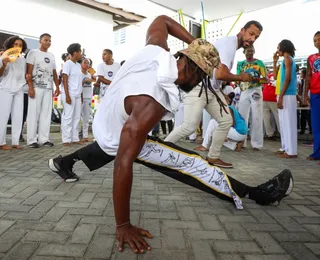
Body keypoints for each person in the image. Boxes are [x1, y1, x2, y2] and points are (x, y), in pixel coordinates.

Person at [48, 15, 293, 254]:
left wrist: (195, 43)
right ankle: (257, 194)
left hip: (108, 115)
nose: (198, 83)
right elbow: (123, 163)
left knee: (109, 144)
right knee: (189, 163)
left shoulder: (156, 49)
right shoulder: (151, 103)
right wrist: (123, 224)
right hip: (115, 129)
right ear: (190, 65)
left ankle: (63, 162)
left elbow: (162, 20)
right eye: (200, 76)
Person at [165, 20, 262, 168]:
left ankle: (213, 157)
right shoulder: (228, 44)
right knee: (189, 126)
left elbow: (215, 74)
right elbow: (221, 74)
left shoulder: (231, 46)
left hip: (211, 90)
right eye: (251, 34)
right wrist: (240, 77)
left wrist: (220, 92)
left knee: (225, 121)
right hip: (199, 88)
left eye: (256, 37)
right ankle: (161, 150)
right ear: (242, 30)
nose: (253, 39)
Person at [26, 33, 60, 148]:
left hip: (48, 88)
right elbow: (28, 72)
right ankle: (31, 140)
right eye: (46, 40)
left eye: (50, 40)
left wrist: (57, 87)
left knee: (46, 114)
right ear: (40, 41)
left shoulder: (51, 55)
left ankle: (44, 139)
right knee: (33, 113)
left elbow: (54, 73)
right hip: (36, 87)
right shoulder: (33, 53)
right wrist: (30, 87)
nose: (48, 42)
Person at [237, 45, 267, 150]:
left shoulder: (259, 63)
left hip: (256, 90)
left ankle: (257, 143)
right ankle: (241, 141)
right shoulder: (240, 64)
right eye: (248, 51)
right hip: (244, 91)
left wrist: (255, 79)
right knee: (242, 116)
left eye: (252, 51)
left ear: (254, 51)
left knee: (257, 117)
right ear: (244, 52)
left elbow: (265, 80)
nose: (250, 53)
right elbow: (238, 78)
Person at [0, 36, 28, 150]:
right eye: (15, 44)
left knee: (18, 115)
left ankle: (15, 141)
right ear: (10, 45)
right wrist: (4, 64)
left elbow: (24, 74)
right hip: (6, 89)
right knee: (3, 116)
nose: (18, 47)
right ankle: (1, 143)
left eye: (20, 45)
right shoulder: (3, 56)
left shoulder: (22, 59)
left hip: (19, 89)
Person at [274, 40, 298, 159]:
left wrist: (281, 97)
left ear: (284, 48)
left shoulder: (287, 59)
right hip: (283, 93)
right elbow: (275, 76)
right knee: (284, 123)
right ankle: (285, 148)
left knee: (289, 123)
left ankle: (291, 151)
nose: (277, 50)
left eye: (278, 48)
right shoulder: (284, 60)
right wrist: (274, 62)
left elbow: (288, 79)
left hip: (287, 94)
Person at [60, 43, 84, 146]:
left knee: (77, 117)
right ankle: (66, 139)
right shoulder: (67, 64)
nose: (81, 53)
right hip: (69, 93)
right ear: (75, 53)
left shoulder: (78, 65)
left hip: (78, 94)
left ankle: (75, 138)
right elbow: (65, 79)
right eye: (80, 51)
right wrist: (67, 95)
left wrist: (81, 95)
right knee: (68, 117)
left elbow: (79, 81)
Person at [304, 31, 320, 161]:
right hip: (315, 94)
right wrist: (305, 94)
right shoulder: (311, 58)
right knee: (316, 125)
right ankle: (317, 153)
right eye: (315, 40)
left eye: (319, 39)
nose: (317, 42)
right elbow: (308, 77)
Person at [80, 58, 95, 142]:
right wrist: (84, 81)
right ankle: (75, 135)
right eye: (85, 63)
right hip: (80, 97)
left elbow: (95, 79)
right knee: (77, 117)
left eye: (88, 63)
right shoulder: (79, 74)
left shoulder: (90, 74)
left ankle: (85, 136)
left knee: (86, 117)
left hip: (88, 97)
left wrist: (91, 72)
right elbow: (78, 85)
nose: (86, 64)